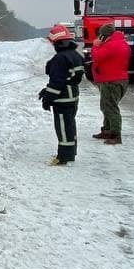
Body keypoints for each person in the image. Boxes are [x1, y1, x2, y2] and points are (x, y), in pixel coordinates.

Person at [38, 24, 84, 166]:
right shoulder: (76, 55)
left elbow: (57, 81)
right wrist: (46, 91)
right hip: (73, 96)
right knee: (70, 125)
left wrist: (47, 98)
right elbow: (69, 77)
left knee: (63, 127)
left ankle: (63, 157)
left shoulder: (60, 58)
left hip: (63, 98)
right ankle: (70, 153)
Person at [90, 22, 130, 145]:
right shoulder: (121, 43)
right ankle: (107, 130)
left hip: (111, 81)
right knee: (106, 106)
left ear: (104, 35)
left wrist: (96, 46)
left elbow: (97, 57)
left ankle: (115, 135)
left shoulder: (110, 45)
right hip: (117, 79)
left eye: (100, 35)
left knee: (110, 107)